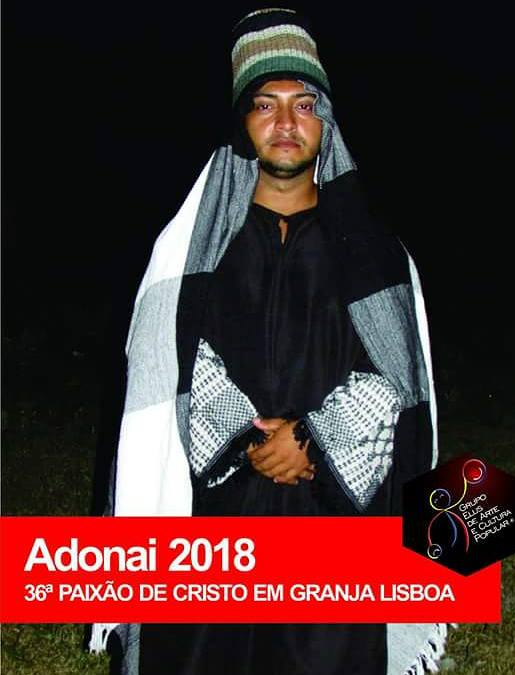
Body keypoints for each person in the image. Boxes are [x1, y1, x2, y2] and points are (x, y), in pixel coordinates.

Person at [91, 8, 452, 674]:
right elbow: (167, 366)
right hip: (214, 526)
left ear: (326, 120)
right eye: (265, 104)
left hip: (336, 528)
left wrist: (312, 437)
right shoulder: (187, 253)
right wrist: (246, 437)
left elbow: (400, 380)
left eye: (303, 104)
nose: (286, 122)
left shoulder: (377, 256)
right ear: (241, 120)